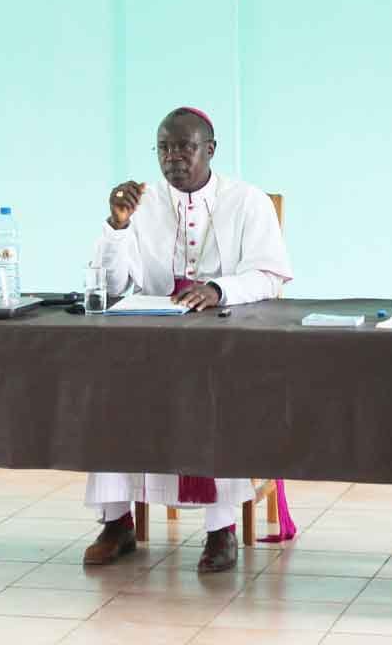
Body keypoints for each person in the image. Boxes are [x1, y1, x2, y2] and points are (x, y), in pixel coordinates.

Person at [83, 106, 293, 572]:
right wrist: (117, 225)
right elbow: (112, 285)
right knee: (109, 390)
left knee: (220, 394)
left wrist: (220, 289)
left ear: (210, 150)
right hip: (154, 337)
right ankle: (116, 523)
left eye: (185, 146)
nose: (173, 157)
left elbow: (270, 276)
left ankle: (222, 531)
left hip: (227, 338)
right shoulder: (142, 202)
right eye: (164, 148)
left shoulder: (248, 200)